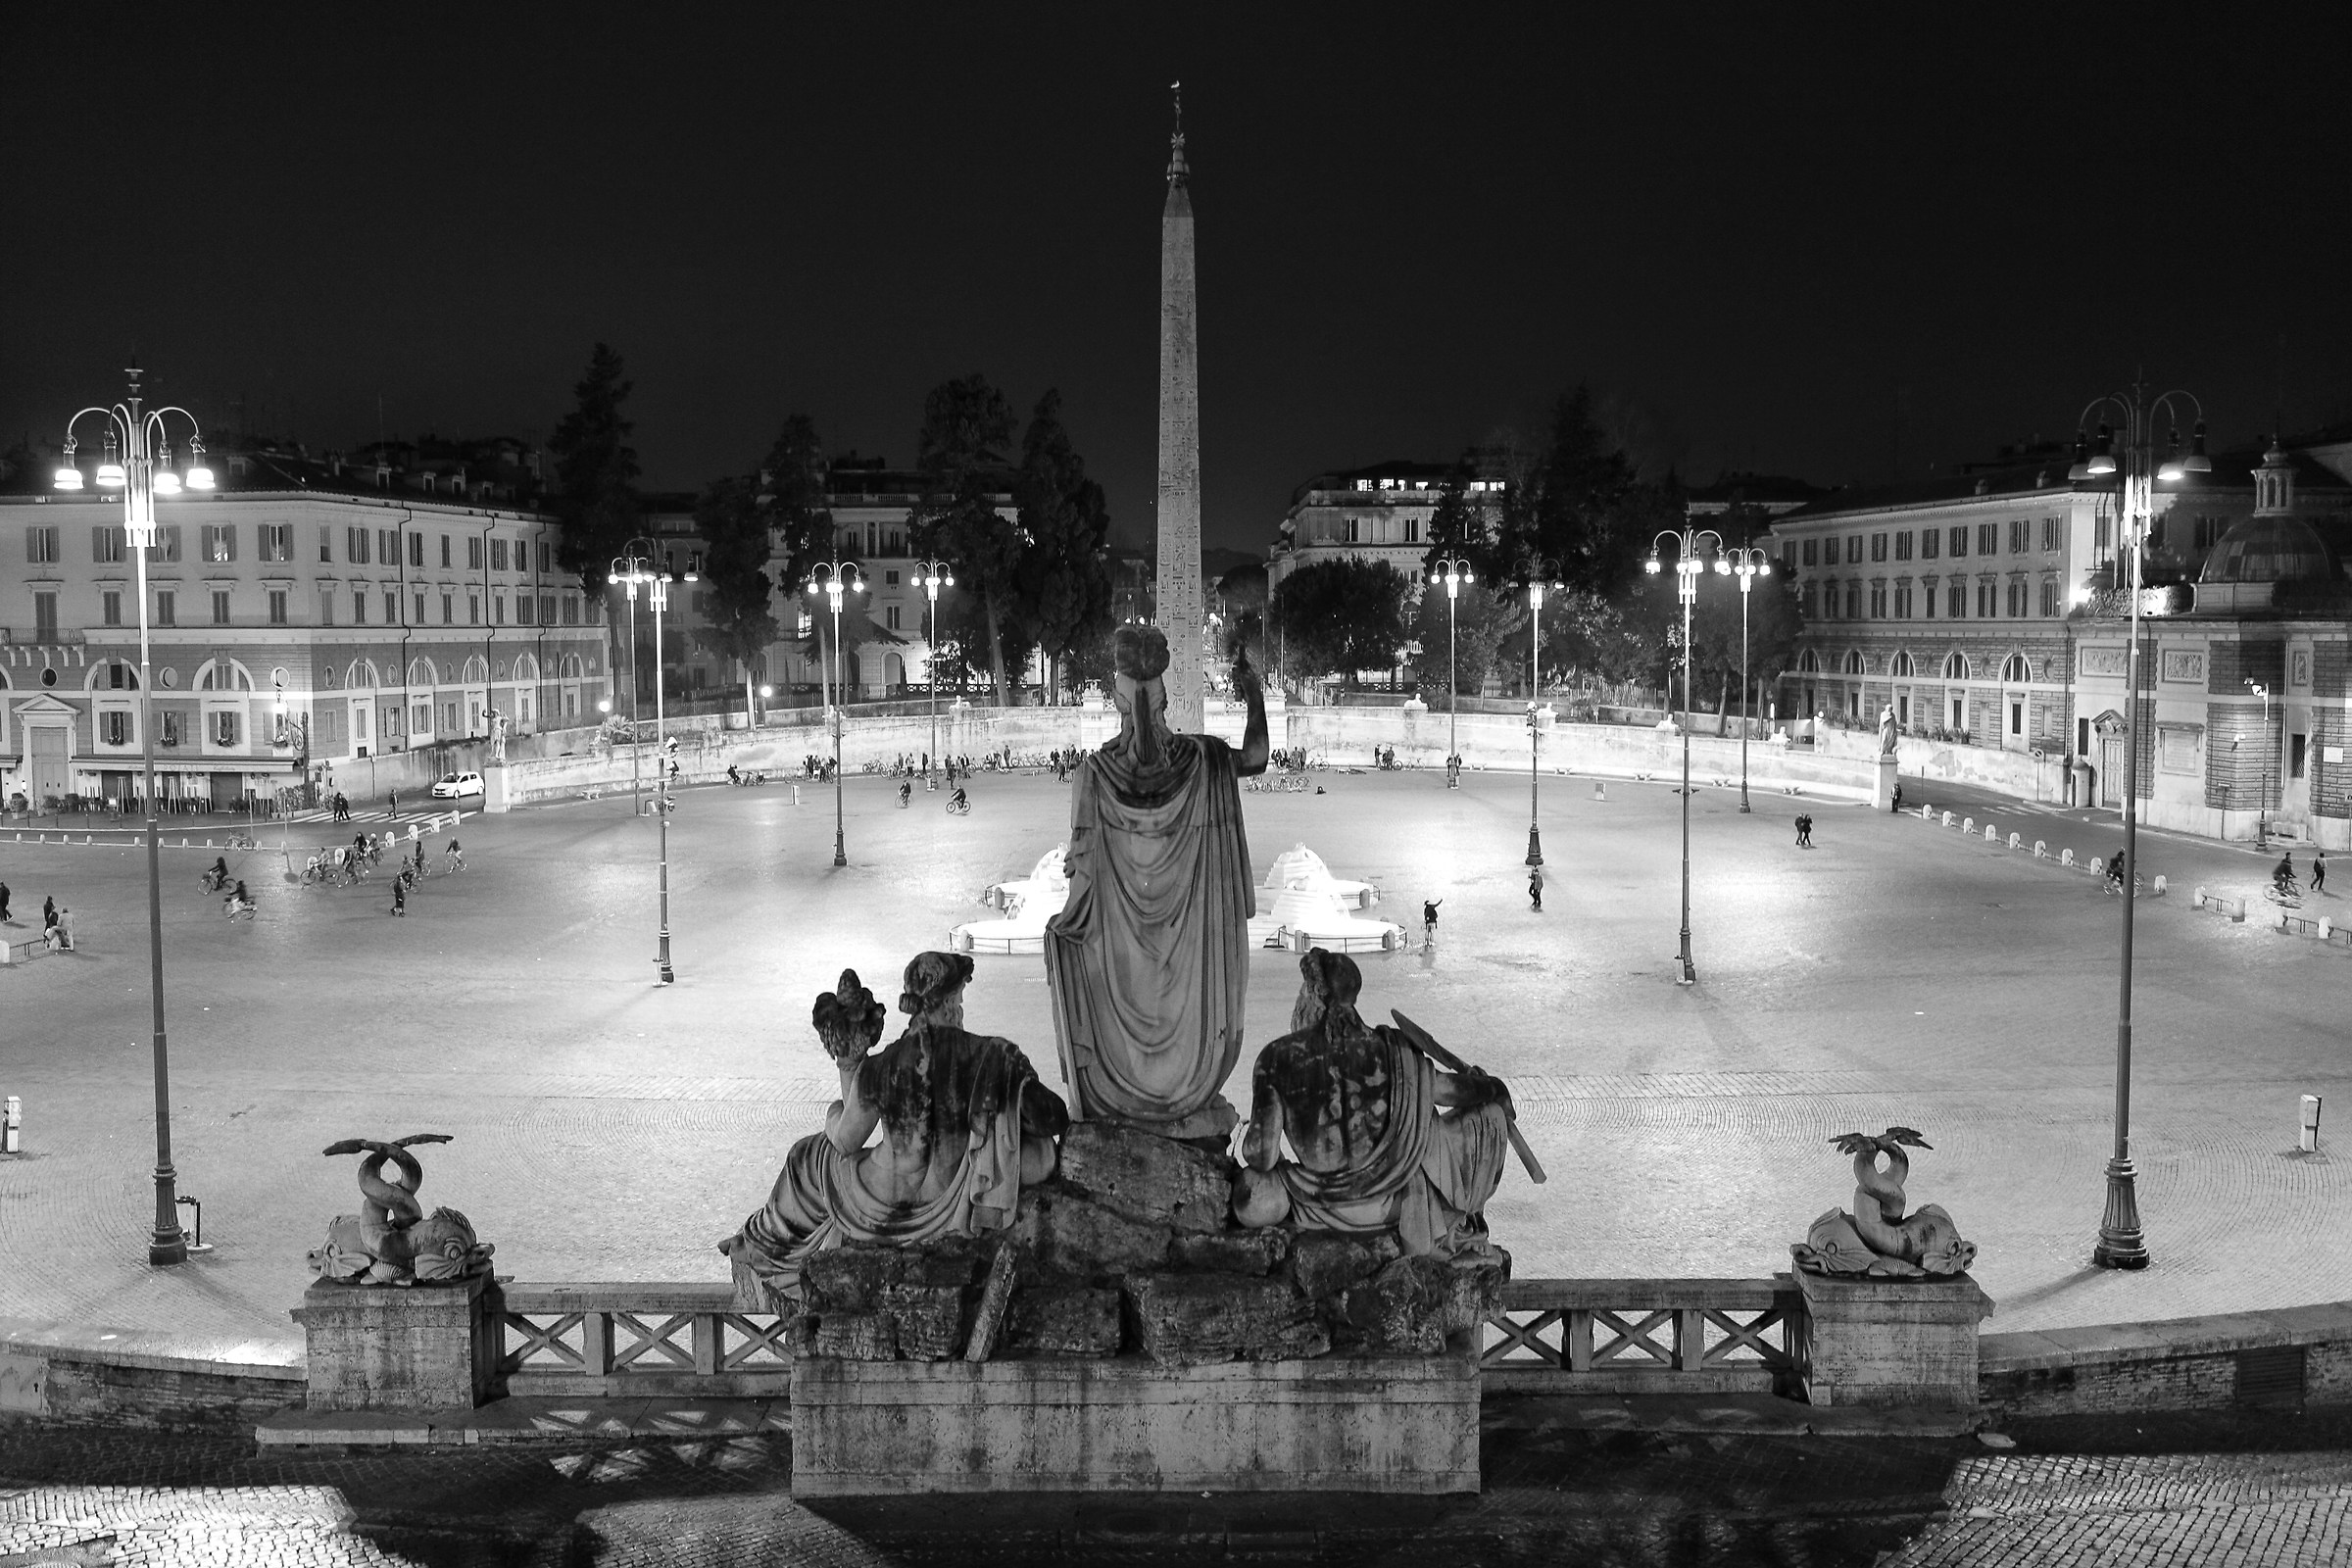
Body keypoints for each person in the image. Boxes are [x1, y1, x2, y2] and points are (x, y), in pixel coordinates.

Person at [721, 956, 1069, 1307]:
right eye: (960, 999)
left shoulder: (882, 1065)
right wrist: (1008, 1097)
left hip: (882, 1200)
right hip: (957, 1197)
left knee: (804, 1158)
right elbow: (1053, 1118)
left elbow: (845, 1141)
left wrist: (836, 1102)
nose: (961, 1008)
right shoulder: (992, 1056)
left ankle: (759, 1244)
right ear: (948, 1002)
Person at [1045, 624, 1268, 1140]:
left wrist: (1061, 927)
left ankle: (1122, 1090)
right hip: (1194, 1014)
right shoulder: (1206, 760)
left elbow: (1080, 901)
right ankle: (1183, 1092)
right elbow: (1256, 756)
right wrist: (1253, 692)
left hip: (1115, 1031)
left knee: (1059, 940)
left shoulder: (1094, 775)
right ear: (1165, 695)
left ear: (1117, 698)